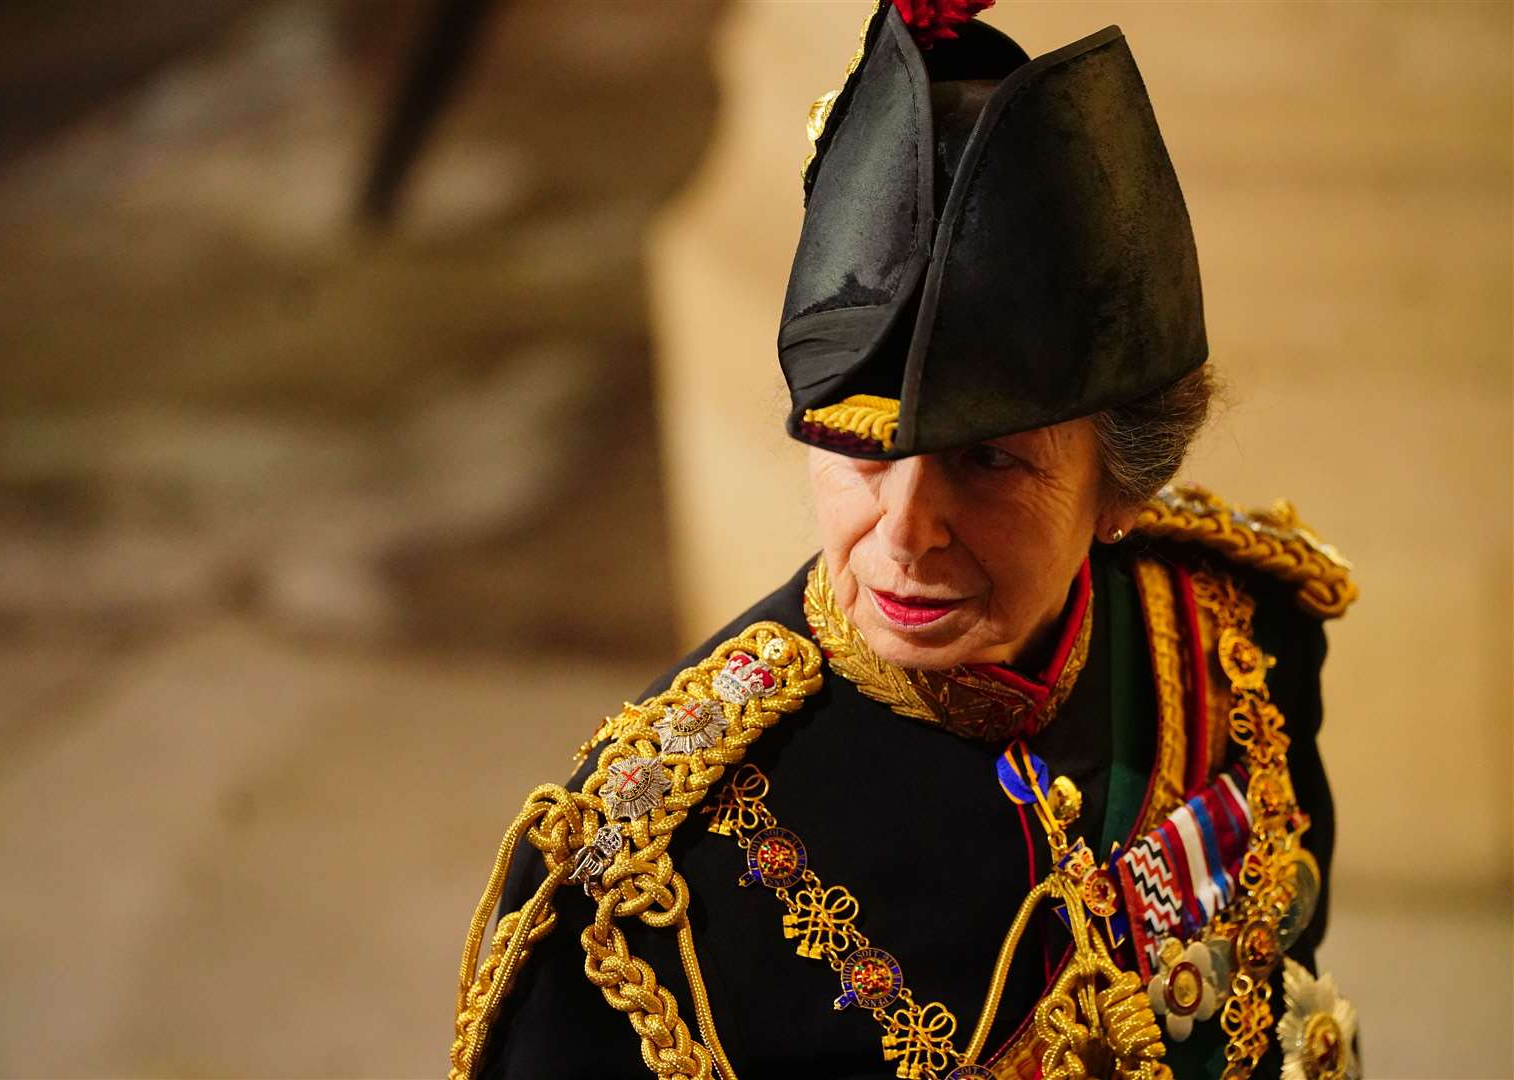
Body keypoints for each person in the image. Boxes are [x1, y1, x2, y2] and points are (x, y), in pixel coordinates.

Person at [449, 3, 1359, 1078]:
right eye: (860, 452)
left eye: (988, 461)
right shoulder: (647, 874)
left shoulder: (1230, 639)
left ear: (1122, 485)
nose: (907, 533)